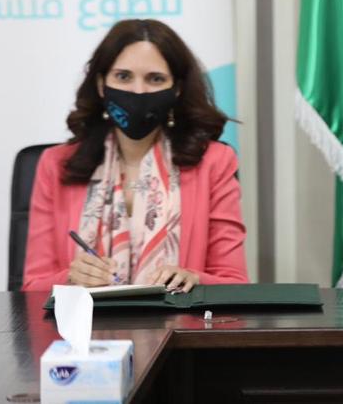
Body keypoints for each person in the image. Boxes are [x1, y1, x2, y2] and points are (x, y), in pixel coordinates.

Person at [23, 19, 249, 292]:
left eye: (155, 79)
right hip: (86, 321)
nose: (138, 91)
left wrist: (193, 279)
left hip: (180, 319)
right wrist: (71, 278)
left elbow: (234, 283)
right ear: (101, 84)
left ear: (177, 88)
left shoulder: (214, 162)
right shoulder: (56, 164)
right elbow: (31, 289)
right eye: (123, 77)